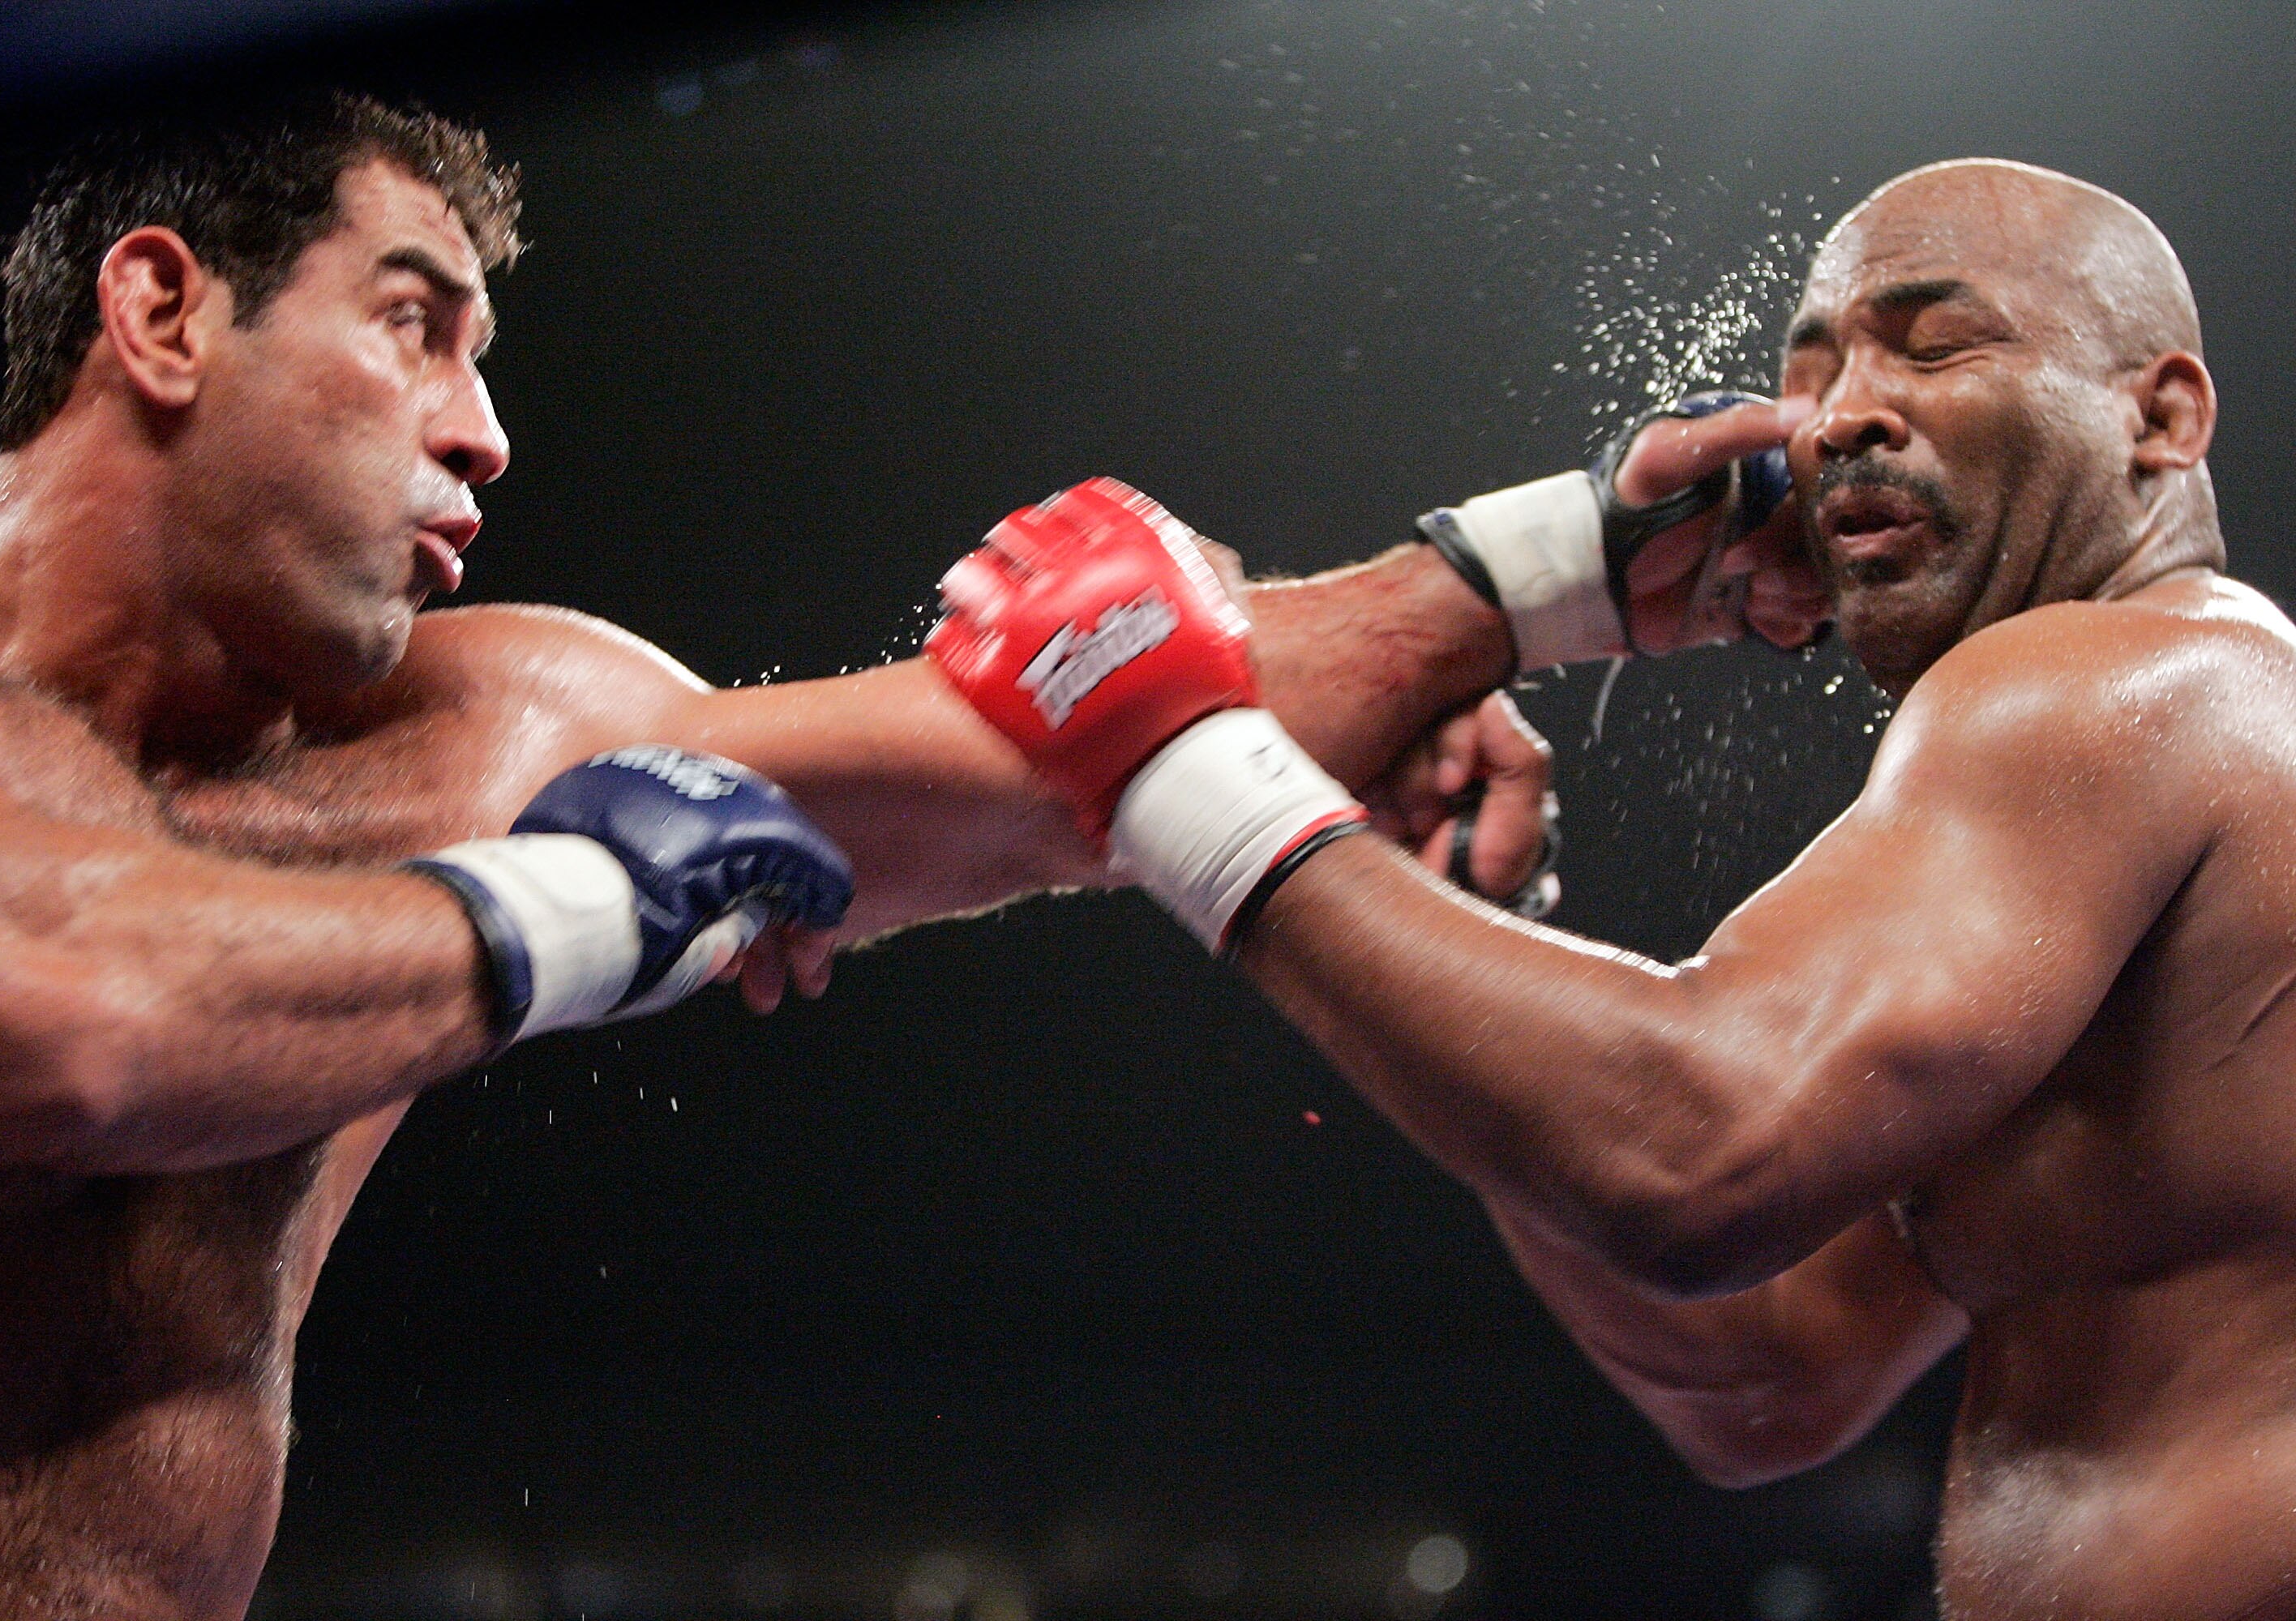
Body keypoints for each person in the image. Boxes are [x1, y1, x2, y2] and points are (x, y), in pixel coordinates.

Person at [0, 94, 1586, 1618]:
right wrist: (570, 911)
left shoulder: (484, 732)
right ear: (164, 311)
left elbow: (1049, 732)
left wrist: (1535, 585)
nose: (483, 432)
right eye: (414, 325)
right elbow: (47, 1013)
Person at [934, 158, 2296, 1619]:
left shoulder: (2122, 679)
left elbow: (1700, 1153)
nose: (1841, 418)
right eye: (1815, 367)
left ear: (2160, 418)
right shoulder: (2196, 751)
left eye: (1937, 340)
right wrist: (1460, 934)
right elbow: (1763, 1378)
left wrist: (1184, 767)